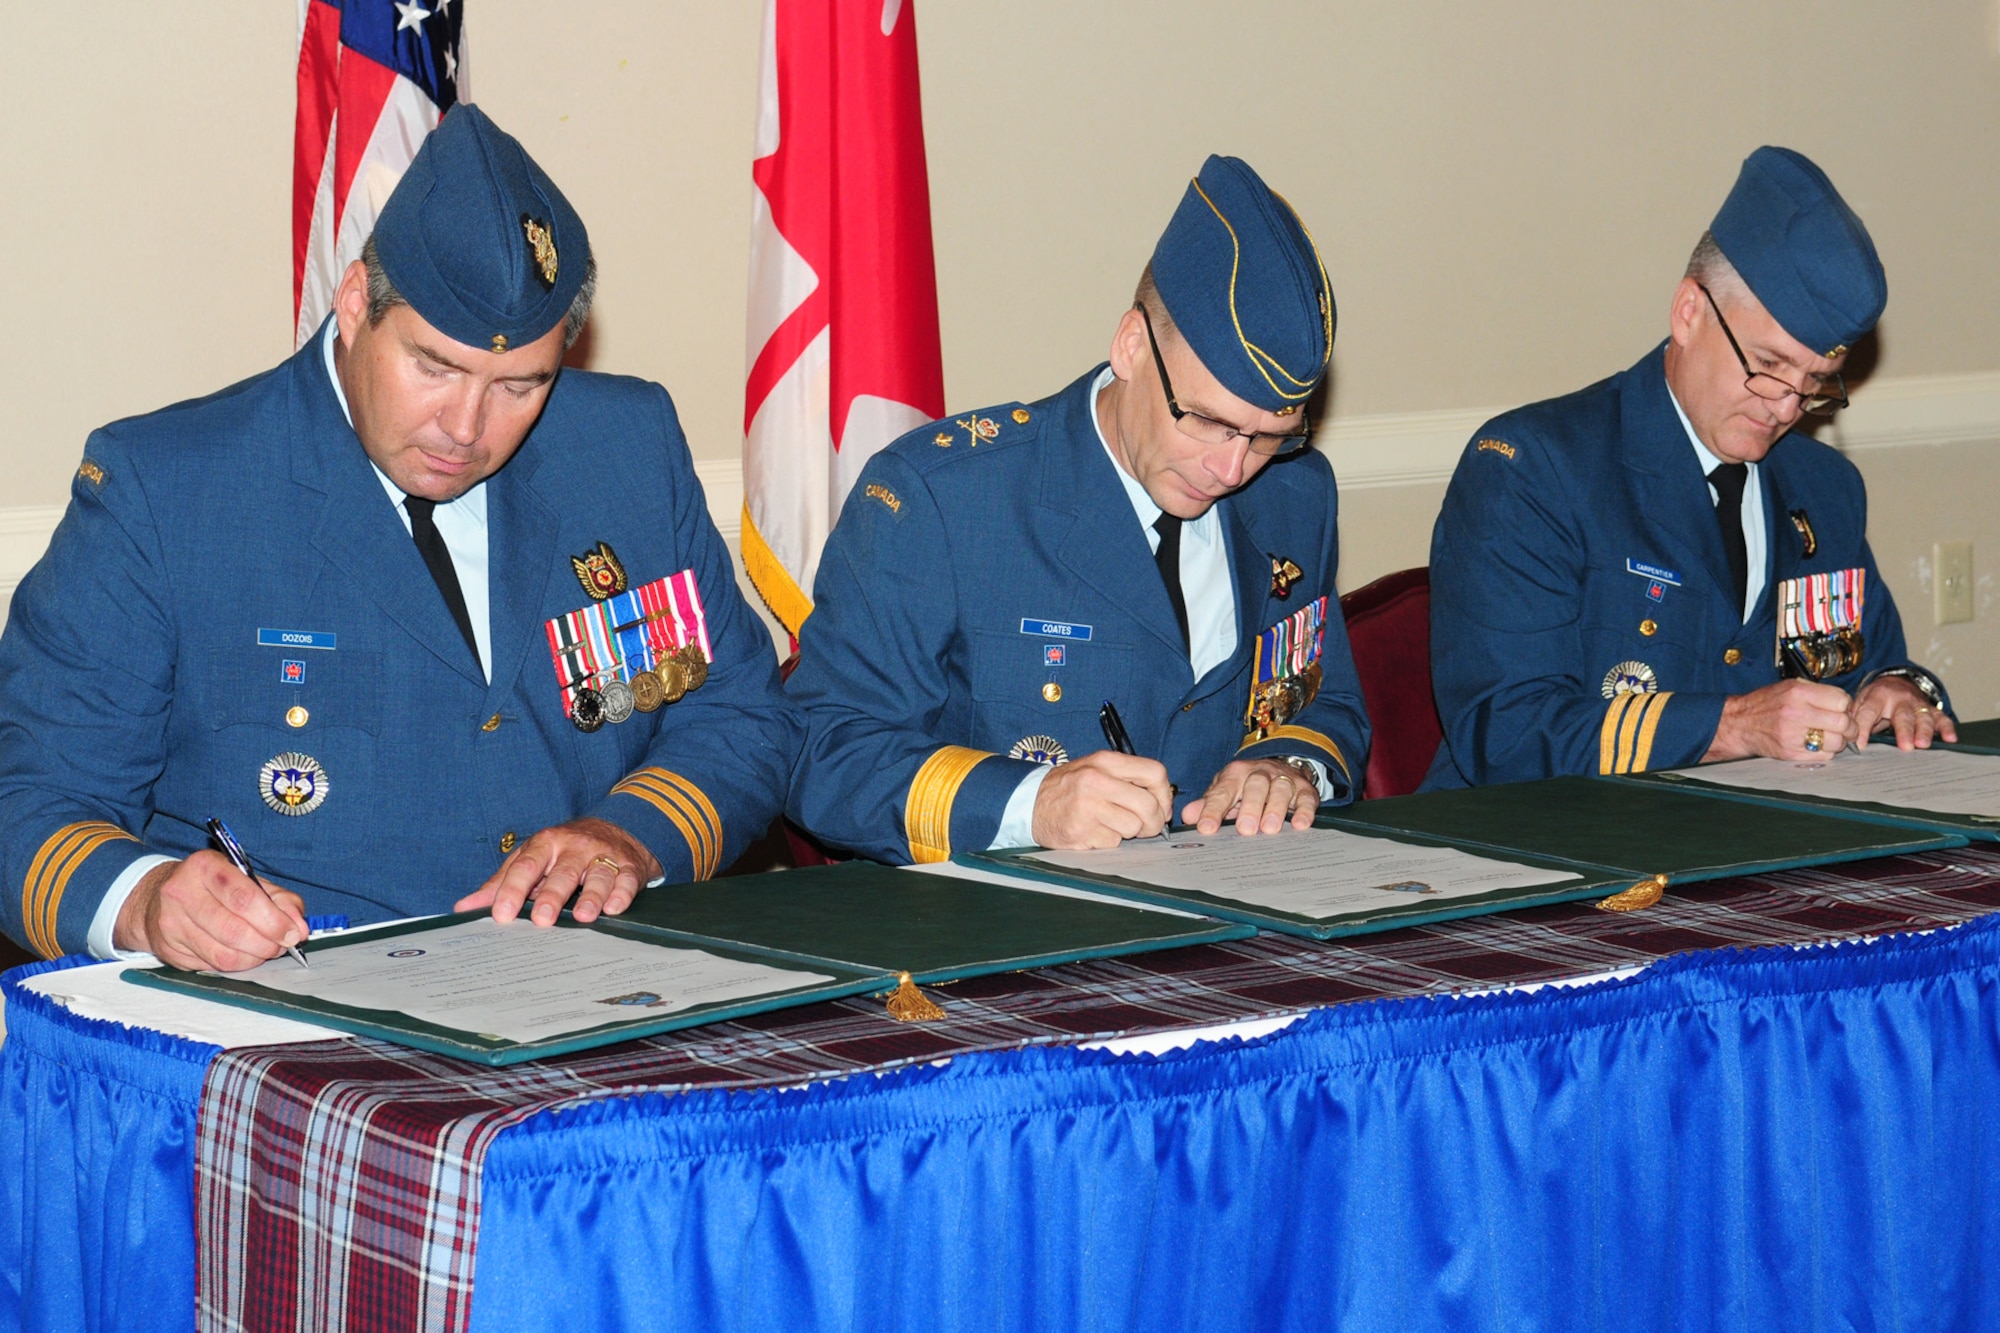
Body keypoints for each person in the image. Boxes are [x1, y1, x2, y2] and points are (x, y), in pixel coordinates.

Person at [0, 105, 798, 970]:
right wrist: (148, 903)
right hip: (295, 1016)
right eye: (434, 366)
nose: (465, 425)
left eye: (519, 385)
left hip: (598, 989)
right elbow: (28, 797)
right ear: (354, 305)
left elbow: (741, 712)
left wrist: (631, 833)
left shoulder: (625, 448)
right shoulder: (169, 490)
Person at [786, 155, 1370, 863]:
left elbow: (1320, 699)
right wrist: (1031, 803)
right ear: (1131, 347)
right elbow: (824, 751)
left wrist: (1286, 768)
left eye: (1270, 436)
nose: (1232, 467)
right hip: (1001, 938)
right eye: (1206, 421)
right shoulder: (943, 499)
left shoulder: (1293, 493)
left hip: (1235, 920)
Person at [1425, 146, 1952, 788]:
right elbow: (1503, 735)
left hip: (1762, 852)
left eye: (1817, 382)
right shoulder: (1535, 469)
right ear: (1688, 312)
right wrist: (1730, 726)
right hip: (1561, 857)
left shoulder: (1824, 486)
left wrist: (1894, 692)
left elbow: (1871, 664)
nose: (1787, 406)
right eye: (1768, 365)